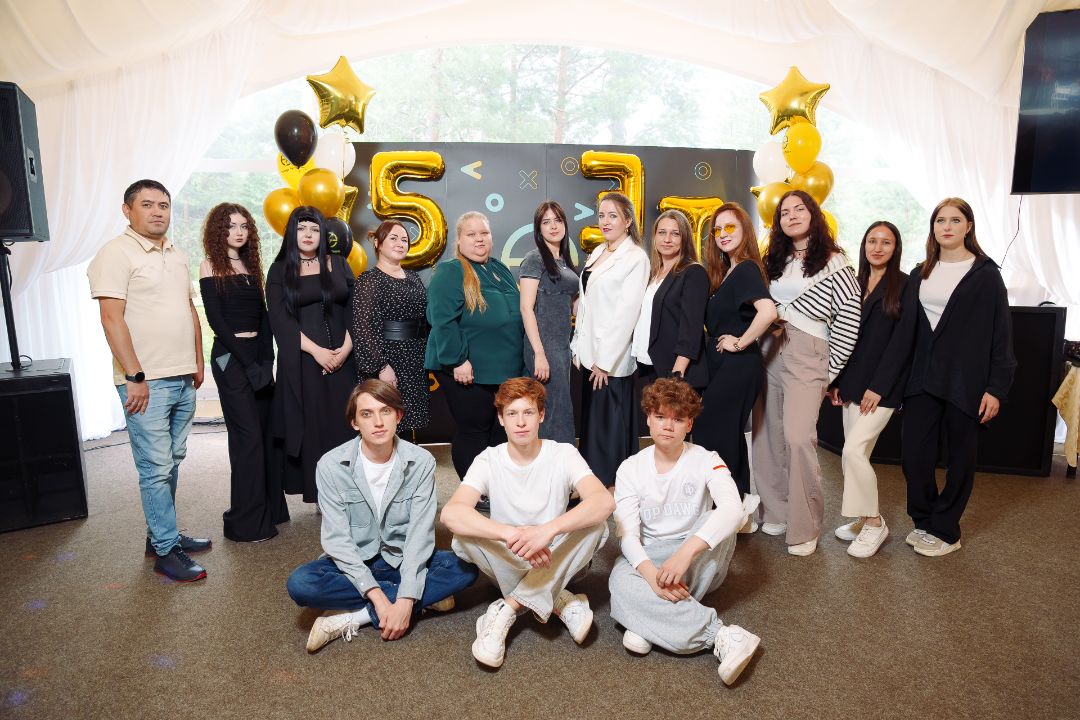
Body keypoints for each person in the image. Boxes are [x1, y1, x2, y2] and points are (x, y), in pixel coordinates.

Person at [286, 380, 479, 651]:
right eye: (367, 414)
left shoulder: (421, 461)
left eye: (385, 411)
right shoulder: (330, 466)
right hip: (355, 563)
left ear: (398, 416)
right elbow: (337, 541)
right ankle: (424, 597)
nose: (378, 422)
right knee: (301, 583)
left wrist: (405, 601)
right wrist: (379, 596)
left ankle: (353, 617)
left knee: (466, 567)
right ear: (354, 423)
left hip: (402, 558)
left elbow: (420, 536)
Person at [441, 377, 615, 669]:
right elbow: (451, 513)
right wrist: (510, 534)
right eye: (512, 414)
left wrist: (546, 531)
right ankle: (555, 596)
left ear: (541, 415)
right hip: (509, 556)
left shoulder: (563, 453)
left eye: (528, 412)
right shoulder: (488, 459)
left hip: (554, 551)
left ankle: (508, 608)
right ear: (501, 419)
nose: (521, 422)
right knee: (462, 536)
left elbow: (603, 501)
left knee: (597, 527)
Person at [87, 179, 211, 582]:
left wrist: (197, 360)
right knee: (155, 467)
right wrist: (134, 376)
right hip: (145, 382)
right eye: (147, 204)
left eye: (163, 205)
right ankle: (166, 550)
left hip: (181, 376)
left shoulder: (176, 254)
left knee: (172, 461)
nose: (158, 212)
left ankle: (161, 535)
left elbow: (188, 310)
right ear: (128, 210)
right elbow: (111, 318)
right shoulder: (115, 253)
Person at [876, 198, 1015, 557]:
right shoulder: (920, 272)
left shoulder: (986, 275)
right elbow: (907, 331)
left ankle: (947, 530)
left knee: (960, 460)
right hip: (922, 379)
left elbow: (1001, 335)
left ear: (969, 226)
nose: (947, 226)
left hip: (966, 382)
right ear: (933, 227)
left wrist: (996, 388)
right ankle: (924, 520)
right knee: (914, 456)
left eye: (955, 220)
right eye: (940, 220)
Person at [609, 378, 761, 686]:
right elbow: (628, 536)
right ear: (648, 418)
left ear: (689, 424)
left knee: (717, 518)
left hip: (698, 558)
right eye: (660, 417)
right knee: (618, 578)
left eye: (678, 419)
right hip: (654, 557)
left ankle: (645, 619)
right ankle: (723, 636)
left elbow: (734, 509)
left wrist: (685, 553)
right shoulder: (629, 468)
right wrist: (651, 576)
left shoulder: (708, 459)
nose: (668, 426)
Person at [753, 190, 861, 556]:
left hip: (808, 351)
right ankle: (776, 509)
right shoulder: (772, 261)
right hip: (769, 348)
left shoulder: (834, 262)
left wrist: (829, 370)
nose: (792, 216)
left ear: (814, 214)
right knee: (767, 434)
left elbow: (849, 317)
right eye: (785, 212)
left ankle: (805, 525)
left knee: (799, 437)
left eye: (799, 209)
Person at [199, 203, 288, 543]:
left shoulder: (251, 266)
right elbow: (217, 323)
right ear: (218, 231)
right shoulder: (210, 266)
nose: (238, 232)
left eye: (243, 226)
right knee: (247, 438)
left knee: (267, 434)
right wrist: (249, 364)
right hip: (230, 359)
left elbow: (263, 318)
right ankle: (246, 523)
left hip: (258, 358)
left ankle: (272, 510)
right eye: (231, 226)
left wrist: (267, 361)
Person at [826, 221, 909, 558]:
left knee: (853, 451)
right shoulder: (854, 283)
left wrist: (879, 387)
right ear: (863, 246)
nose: (878, 247)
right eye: (872, 241)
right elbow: (840, 334)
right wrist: (836, 381)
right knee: (855, 456)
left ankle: (875, 523)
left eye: (886, 242)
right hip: (852, 383)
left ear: (895, 248)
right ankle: (862, 519)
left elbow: (903, 342)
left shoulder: (905, 285)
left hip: (883, 388)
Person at [266, 206, 357, 505]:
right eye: (302, 228)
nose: (308, 234)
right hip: (304, 362)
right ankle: (323, 496)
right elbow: (280, 321)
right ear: (292, 233)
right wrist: (318, 352)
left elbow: (356, 310)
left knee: (345, 425)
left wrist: (345, 350)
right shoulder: (279, 270)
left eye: (315, 229)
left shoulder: (339, 264)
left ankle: (350, 494)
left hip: (345, 360)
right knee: (315, 428)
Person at [425, 211, 523, 479]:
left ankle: (494, 487)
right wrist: (457, 359)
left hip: (503, 369)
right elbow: (442, 320)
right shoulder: (451, 270)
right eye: (471, 234)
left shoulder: (499, 268)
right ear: (459, 240)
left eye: (484, 233)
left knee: (499, 431)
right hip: (467, 369)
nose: (479, 239)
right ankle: (473, 492)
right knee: (474, 431)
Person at [696, 203, 776, 506]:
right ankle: (737, 504)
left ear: (745, 230)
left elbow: (768, 312)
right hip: (723, 365)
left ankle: (727, 506)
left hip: (738, 365)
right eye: (717, 229)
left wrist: (740, 342)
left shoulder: (745, 269)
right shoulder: (727, 272)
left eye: (730, 227)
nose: (722, 234)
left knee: (712, 431)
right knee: (726, 435)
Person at [572, 192, 650, 487]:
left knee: (609, 428)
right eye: (602, 215)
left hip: (611, 362)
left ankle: (612, 488)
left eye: (613, 216)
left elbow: (627, 314)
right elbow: (585, 305)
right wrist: (577, 346)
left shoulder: (636, 257)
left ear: (628, 221)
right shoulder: (597, 252)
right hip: (589, 355)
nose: (605, 221)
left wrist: (604, 361)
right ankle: (593, 487)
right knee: (593, 427)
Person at [350, 220, 430, 433]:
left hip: (415, 358)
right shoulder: (369, 280)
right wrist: (382, 366)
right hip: (388, 360)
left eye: (404, 240)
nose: (400, 243)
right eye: (393, 238)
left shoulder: (413, 277)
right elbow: (363, 328)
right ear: (378, 243)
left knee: (409, 422)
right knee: (386, 420)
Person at [519, 200, 579, 443]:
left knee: (560, 407)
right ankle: (551, 462)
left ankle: (562, 461)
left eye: (558, 220)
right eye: (546, 222)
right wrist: (539, 353)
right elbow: (526, 308)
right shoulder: (534, 259)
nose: (553, 226)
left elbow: (573, 305)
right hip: (543, 345)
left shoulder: (564, 260)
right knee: (551, 410)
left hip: (562, 346)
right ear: (538, 229)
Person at [631, 209, 709, 390]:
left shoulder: (693, 272)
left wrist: (676, 375)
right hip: (650, 365)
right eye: (662, 233)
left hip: (676, 371)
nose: (667, 239)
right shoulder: (653, 274)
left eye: (675, 234)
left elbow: (691, 329)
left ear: (685, 239)